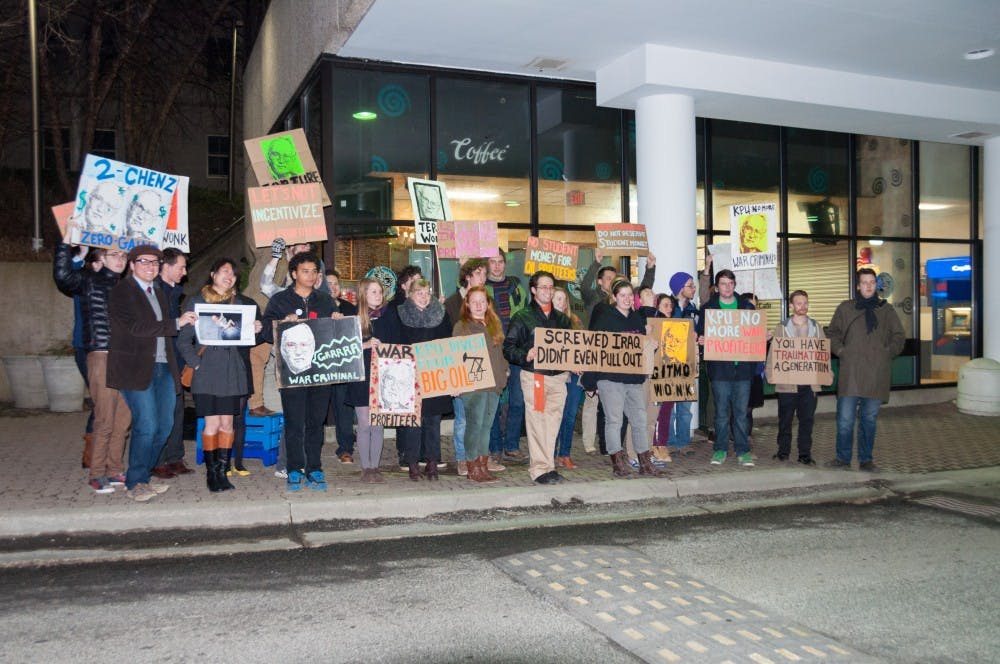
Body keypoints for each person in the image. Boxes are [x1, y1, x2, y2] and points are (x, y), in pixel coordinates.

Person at [108, 246, 198, 502]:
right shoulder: (122, 291)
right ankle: (135, 481)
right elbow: (136, 327)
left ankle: (143, 476)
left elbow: (167, 335)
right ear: (132, 265)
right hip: (136, 368)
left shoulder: (158, 293)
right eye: (144, 262)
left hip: (163, 367)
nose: (150, 266)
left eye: (154, 262)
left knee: (165, 426)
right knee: (146, 425)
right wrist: (176, 323)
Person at [178, 258, 263, 491]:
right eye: (225, 271)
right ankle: (211, 472)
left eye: (233, 274)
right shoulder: (197, 302)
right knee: (212, 423)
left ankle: (223, 471)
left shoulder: (241, 304)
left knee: (228, 423)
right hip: (206, 371)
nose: (230, 276)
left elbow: (245, 339)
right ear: (213, 274)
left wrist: (255, 329)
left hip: (232, 371)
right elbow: (184, 341)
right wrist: (195, 364)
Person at [54, 243, 130, 494]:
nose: (120, 259)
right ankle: (97, 473)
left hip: (124, 357)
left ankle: (115, 468)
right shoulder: (89, 280)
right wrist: (67, 245)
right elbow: (63, 276)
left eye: (123, 255)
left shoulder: (127, 287)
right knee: (105, 416)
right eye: (114, 255)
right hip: (102, 354)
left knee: (123, 418)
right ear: (102, 258)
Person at [261, 252, 336, 491]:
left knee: (316, 422)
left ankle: (314, 467)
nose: (311, 275)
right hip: (292, 371)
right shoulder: (280, 300)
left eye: (314, 271)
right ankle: (294, 468)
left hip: (320, 372)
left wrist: (337, 320)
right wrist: (283, 322)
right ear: (293, 274)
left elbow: (336, 335)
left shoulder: (325, 300)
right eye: (305, 271)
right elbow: (265, 331)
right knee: (294, 423)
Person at [826, 268, 905, 471]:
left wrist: (887, 352)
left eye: (872, 282)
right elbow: (832, 332)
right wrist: (841, 351)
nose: (869, 285)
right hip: (850, 373)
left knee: (869, 420)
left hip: (876, 374)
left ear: (875, 285)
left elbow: (899, 336)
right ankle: (842, 458)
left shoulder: (886, 311)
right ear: (858, 285)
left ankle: (866, 459)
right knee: (845, 419)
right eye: (865, 282)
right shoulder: (846, 308)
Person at [585, 280, 663, 478]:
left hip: (633, 380)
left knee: (639, 419)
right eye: (622, 295)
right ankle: (618, 463)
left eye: (630, 295)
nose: (627, 299)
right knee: (614, 420)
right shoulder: (605, 319)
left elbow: (639, 348)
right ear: (614, 297)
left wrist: (649, 345)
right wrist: (590, 381)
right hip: (609, 379)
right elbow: (595, 349)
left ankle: (644, 462)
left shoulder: (637, 319)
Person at [503, 271, 571, 485]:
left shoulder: (562, 319)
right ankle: (539, 469)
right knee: (537, 421)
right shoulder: (522, 316)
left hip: (558, 378)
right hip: (536, 377)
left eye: (551, 287)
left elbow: (570, 347)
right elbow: (508, 348)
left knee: (553, 422)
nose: (548, 291)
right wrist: (525, 355)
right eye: (543, 287)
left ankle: (548, 465)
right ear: (533, 290)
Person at [698, 268, 757, 468]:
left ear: (735, 285)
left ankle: (743, 451)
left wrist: (761, 337)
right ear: (717, 286)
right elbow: (700, 334)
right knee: (721, 414)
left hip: (743, 370)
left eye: (731, 283)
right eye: (723, 283)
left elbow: (753, 334)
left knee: (741, 414)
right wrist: (702, 339)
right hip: (720, 370)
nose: (727, 287)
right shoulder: (708, 309)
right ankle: (720, 449)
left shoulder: (747, 307)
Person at [396, 279, 453, 480]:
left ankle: (432, 462)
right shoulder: (399, 314)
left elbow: (448, 344)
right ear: (410, 294)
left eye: (427, 292)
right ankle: (412, 463)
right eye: (419, 292)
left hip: (433, 376)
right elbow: (394, 345)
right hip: (409, 377)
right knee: (412, 423)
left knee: (433, 421)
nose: (424, 296)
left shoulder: (441, 314)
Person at [346, 278, 401, 483]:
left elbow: (399, 342)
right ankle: (365, 467)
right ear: (363, 294)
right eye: (373, 292)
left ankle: (375, 467)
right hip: (361, 376)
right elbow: (345, 349)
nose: (378, 296)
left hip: (383, 375)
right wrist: (366, 345)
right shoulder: (354, 317)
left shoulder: (389, 315)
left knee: (378, 424)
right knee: (364, 423)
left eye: (380, 292)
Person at [453, 286, 509, 483]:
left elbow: (500, 353)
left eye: (482, 301)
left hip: (494, 383)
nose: (478, 305)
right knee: (474, 425)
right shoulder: (462, 326)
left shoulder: (494, 324)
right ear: (467, 303)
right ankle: (472, 466)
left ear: (488, 304)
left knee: (486, 426)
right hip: (473, 385)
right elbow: (455, 356)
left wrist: (505, 370)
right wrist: (456, 383)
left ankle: (483, 465)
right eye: (474, 301)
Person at [765, 289, 825, 465]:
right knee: (785, 420)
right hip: (787, 384)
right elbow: (773, 353)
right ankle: (783, 451)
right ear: (791, 306)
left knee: (807, 421)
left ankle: (804, 454)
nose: (803, 306)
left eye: (805, 303)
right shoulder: (782, 328)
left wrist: (825, 374)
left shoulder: (816, 327)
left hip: (810, 384)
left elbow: (823, 353)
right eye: (799, 303)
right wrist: (770, 373)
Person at [445, 258, 490, 476]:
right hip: (463, 367)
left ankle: (480, 458)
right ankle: (463, 458)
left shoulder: (486, 302)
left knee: (481, 419)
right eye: (479, 273)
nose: (484, 277)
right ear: (468, 276)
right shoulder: (452, 303)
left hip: (484, 369)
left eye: (484, 274)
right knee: (463, 418)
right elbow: (449, 339)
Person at [152, 248, 193, 479]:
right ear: (165, 267)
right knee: (161, 412)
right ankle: (157, 460)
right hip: (158, 359)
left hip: (174, 358)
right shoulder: (155, 291)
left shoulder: (173, 292)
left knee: (177, 409)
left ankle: (175, 457)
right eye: (181, 267)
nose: (185, 272)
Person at [484, 252, 529, 464]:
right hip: (492, 350)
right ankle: (495, 447)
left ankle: (512, 445)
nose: (497, 266)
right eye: (492, 262)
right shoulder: (481, 289)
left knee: (517, 401)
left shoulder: (517, 287)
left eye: (500, 262)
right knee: (493, 400)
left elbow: (524, 315)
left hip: (516, 349)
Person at [665, 260, 711, 455]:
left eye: (694, 285)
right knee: (669, 406)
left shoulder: (694, 310)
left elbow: (700, 331)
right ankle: (668, 441)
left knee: (685, 407)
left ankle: (683, 442)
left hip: (688, 364)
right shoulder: (667, 307)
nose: (693, 289)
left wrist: (700, 338)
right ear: (679, 288)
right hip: (669, 365)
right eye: (690, 285)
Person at [324, 269, 359, 464]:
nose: (333, 287)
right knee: (317, 410)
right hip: (320, 367)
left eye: (336, 283)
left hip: (343, 365)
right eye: (328, 284)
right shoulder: (317, 306)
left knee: (344, 408)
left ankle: (345, 449)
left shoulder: (349, 307)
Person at [552, 286, 583, 470]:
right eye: (557, 298)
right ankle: (550, 454)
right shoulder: (546, 324)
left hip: (574, 376)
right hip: (555, 376)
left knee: (570, 416)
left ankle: (565, 454)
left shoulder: (575, 322)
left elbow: (583, 348)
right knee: (555, 416)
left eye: (563, 299)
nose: (560, 302)